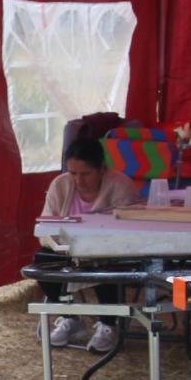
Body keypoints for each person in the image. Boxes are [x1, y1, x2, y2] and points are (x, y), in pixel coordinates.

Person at [35, 133, 138, 352]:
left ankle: (108, 324)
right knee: (41, 260)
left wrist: (89, 246)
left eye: (85, 174)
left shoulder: (121, 186)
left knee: (104, 264)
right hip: (68, 250)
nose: (78, 180)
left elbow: (126, 232)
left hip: (109, 250)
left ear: (102, 169)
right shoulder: (60, 185)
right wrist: (58, 246)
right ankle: (69, 317)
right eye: (73, 173)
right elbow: (45, 225)